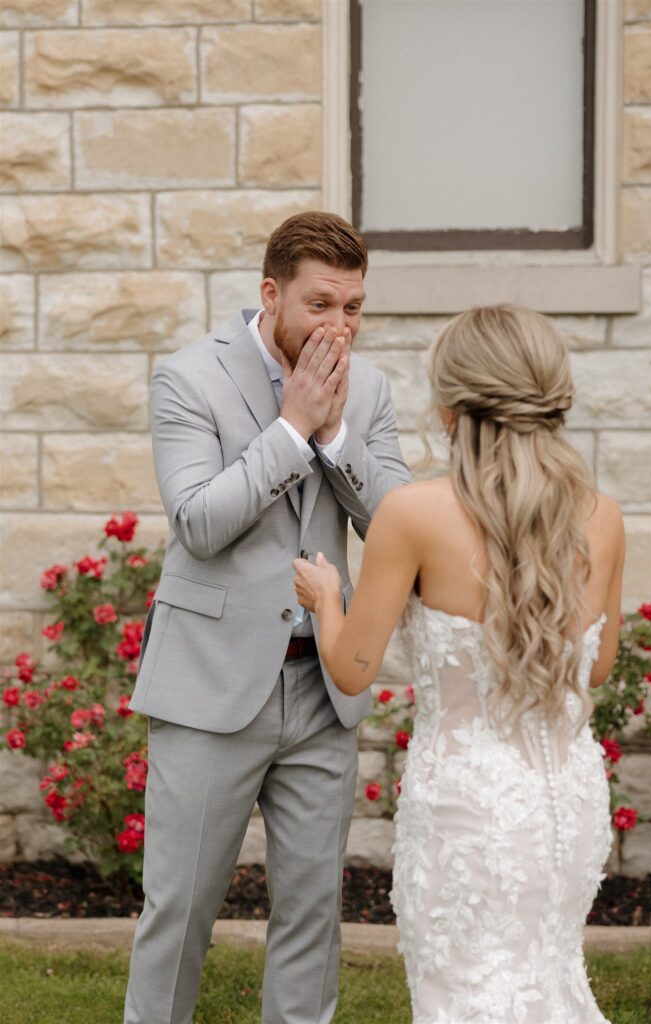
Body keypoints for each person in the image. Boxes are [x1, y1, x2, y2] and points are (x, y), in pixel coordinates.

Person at [294, 304, 625, 1024]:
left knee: (467, 997)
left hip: (466, 812)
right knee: (548, 983)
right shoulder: (601, 515)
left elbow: (353, 669)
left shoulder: (414, 514)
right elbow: (596, 669)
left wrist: (326, 598)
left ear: (449, 407)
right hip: (566, 801)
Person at [123, 211, 410, 1024]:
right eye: (321, 305)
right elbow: (200, 523)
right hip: (211, 686)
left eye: (354, 307)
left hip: (322, 685)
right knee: (179, 916)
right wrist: (290, 429)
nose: (340, 326)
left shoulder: (372, 388)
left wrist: (339, 430)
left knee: (313, 920)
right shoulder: (187, 379)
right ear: (271, 294)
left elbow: (394, 522)